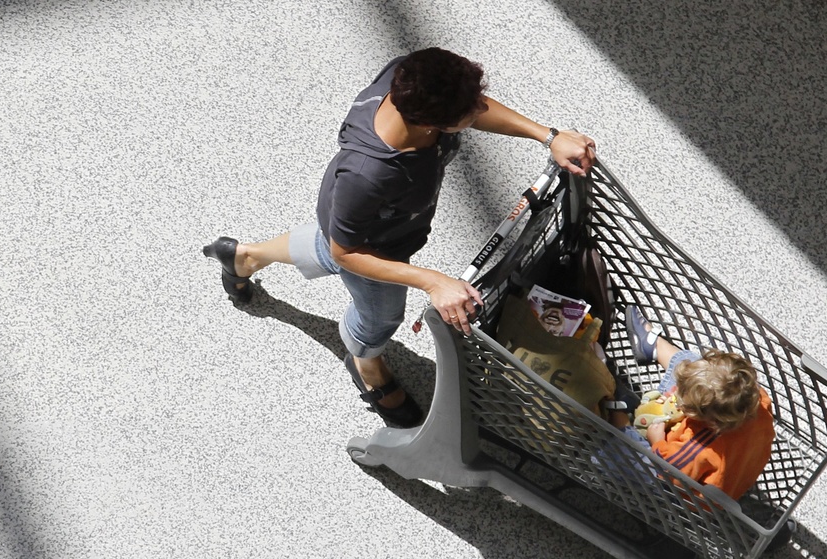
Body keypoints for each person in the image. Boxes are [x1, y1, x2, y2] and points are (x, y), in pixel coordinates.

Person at [203, 48, 596, 427]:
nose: (481, 109)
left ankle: (245, 258)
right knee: (381, 314)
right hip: (375, 244)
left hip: (354, 218)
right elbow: (347, 252)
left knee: (325, 243)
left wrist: (548, 136)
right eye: (470, 110)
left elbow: (469, 105)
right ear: (433, 125)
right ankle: (366, 364)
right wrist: (433, 280)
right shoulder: (371, 174)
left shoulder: (410, 78)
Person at [602, 305, 775, 500]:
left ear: (711, 420)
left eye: (686, 404)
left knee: (625, 459)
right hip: (737, 454)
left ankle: (615, 406)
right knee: (690, 361)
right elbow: (710, 386)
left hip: (684, 492)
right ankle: (651, 345)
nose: (678, 401)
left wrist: (656, 440)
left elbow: (669, 469)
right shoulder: (753, 396)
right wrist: (682, 393)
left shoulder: (700, 447)